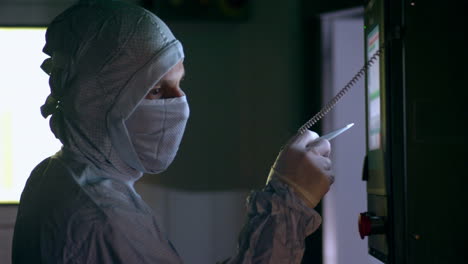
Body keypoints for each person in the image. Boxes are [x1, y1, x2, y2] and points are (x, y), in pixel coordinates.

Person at [11, 0, 334, 263]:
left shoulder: (57, 174)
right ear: (94, 99)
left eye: (178, 84)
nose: (179, 102)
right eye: (155, 90)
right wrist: (288, 202)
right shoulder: (104, 220)